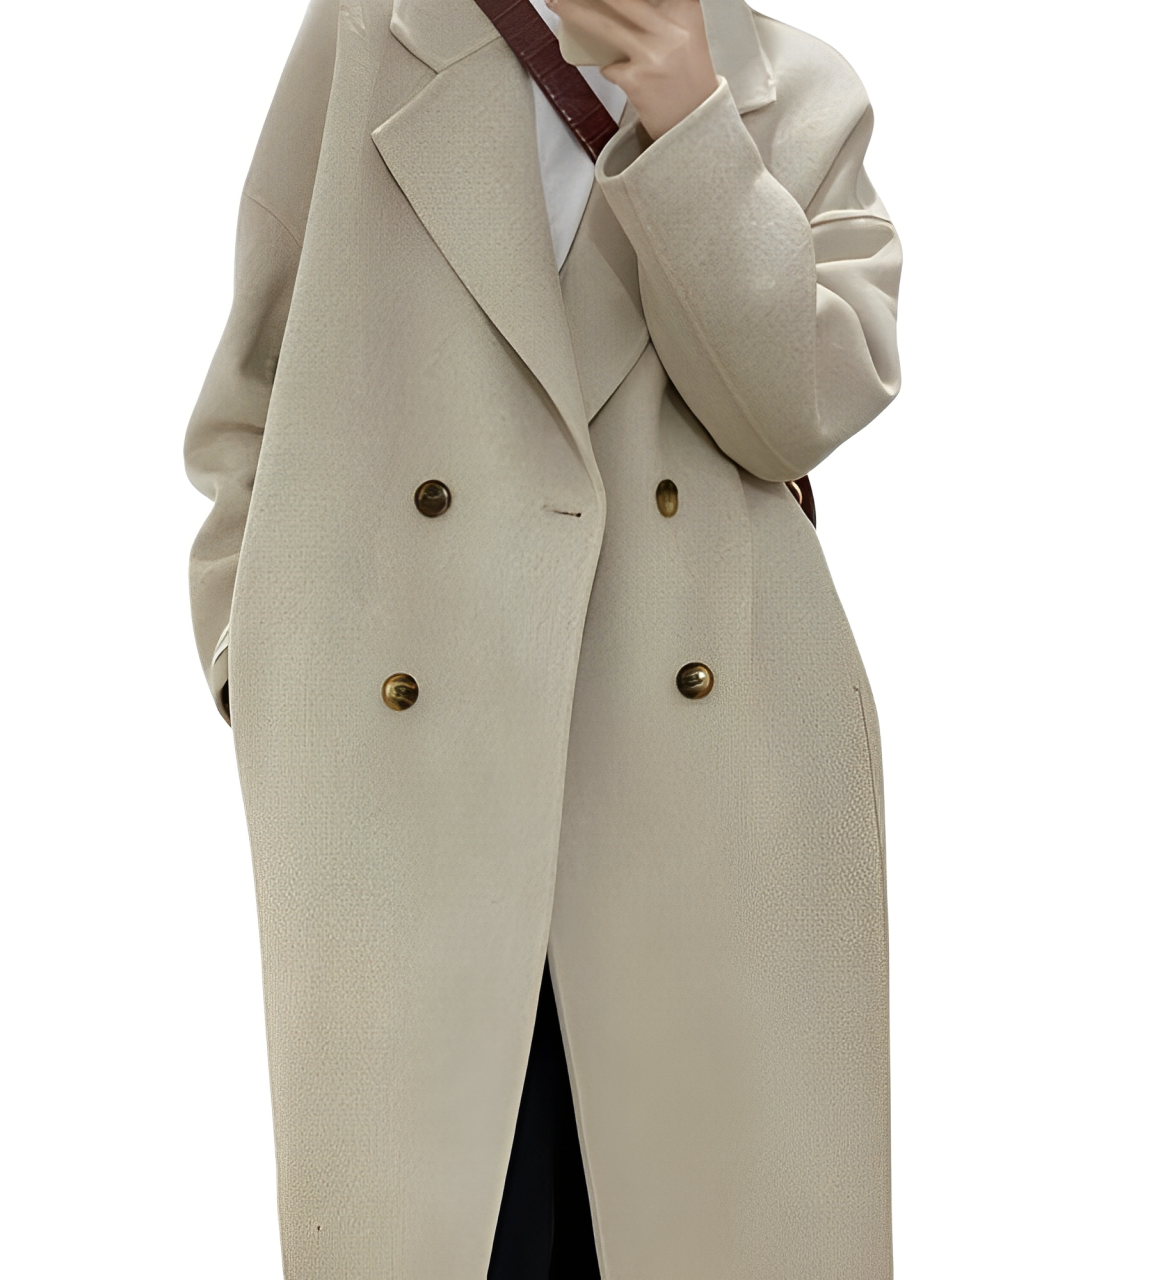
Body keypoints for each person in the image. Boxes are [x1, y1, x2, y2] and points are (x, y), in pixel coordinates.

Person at [183, 0, 902, 1275]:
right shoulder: (374, 36)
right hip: (409, 781)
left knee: (691, 1217)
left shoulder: (795, 94)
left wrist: (690, 128)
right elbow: (251, 395)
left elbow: (790, 413)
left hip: (708, 788)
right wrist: (262, 664)